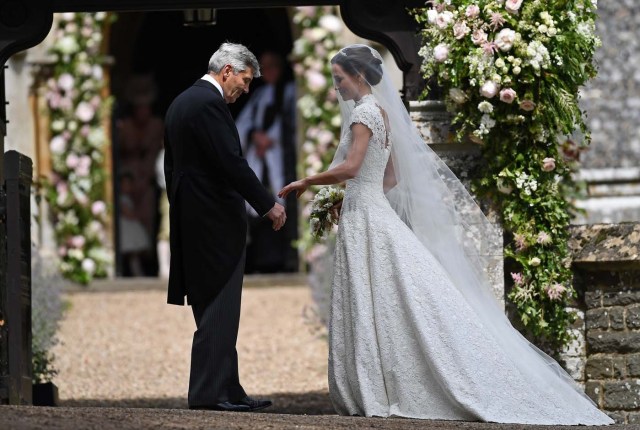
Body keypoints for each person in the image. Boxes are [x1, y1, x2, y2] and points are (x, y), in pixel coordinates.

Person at [279, 45, 613, 425]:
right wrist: (354, 196)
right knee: (391, 296)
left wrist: (309, 180)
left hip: (366, 219)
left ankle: (375, 387)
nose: (336, 87)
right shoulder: (382, 113)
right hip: (372, 210)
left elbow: (352, 166)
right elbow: (391, 176)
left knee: (371, 296)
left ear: (357, 77)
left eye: (339, 79)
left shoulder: (362, 115)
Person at [163, 42, 286, 412]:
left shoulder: (184, 101)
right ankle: (208, 394)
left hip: (195, 219)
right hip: (213, 224)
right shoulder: (208, 104)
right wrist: (268, 205)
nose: (246, 89)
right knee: (219, 306)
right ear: (227, 71)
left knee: (217, 308)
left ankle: (228, 388)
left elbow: (174, 170)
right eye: (245, 81)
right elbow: (231, 163)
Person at [235, 51, 298, 274]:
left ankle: (284, 259)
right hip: (260, 160)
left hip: (279, 158)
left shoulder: (291, 91)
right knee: (258, 207)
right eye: (265, 67)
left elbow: (295, 124)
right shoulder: (259, 95)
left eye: (273, 66)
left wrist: (272, 138)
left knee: (282, 203)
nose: (269, 71)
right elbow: (243, 124)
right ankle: (261, 261)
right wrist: (254, 135)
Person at [116, 74, 164, 275]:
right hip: (127, 179)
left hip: (148, 180)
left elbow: (157, 151)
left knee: (147, 220)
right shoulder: (125, 127)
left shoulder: (156, 125)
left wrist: (147, 177)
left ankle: (149, 263)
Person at [118, 170, 151, 277]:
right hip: (126, 227)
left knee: (133, 254)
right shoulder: (121, 199)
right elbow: (127, 213)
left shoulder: (127, 198)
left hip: (130, 226)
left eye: (129, 184)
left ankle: (136, 272)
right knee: (128, 253)